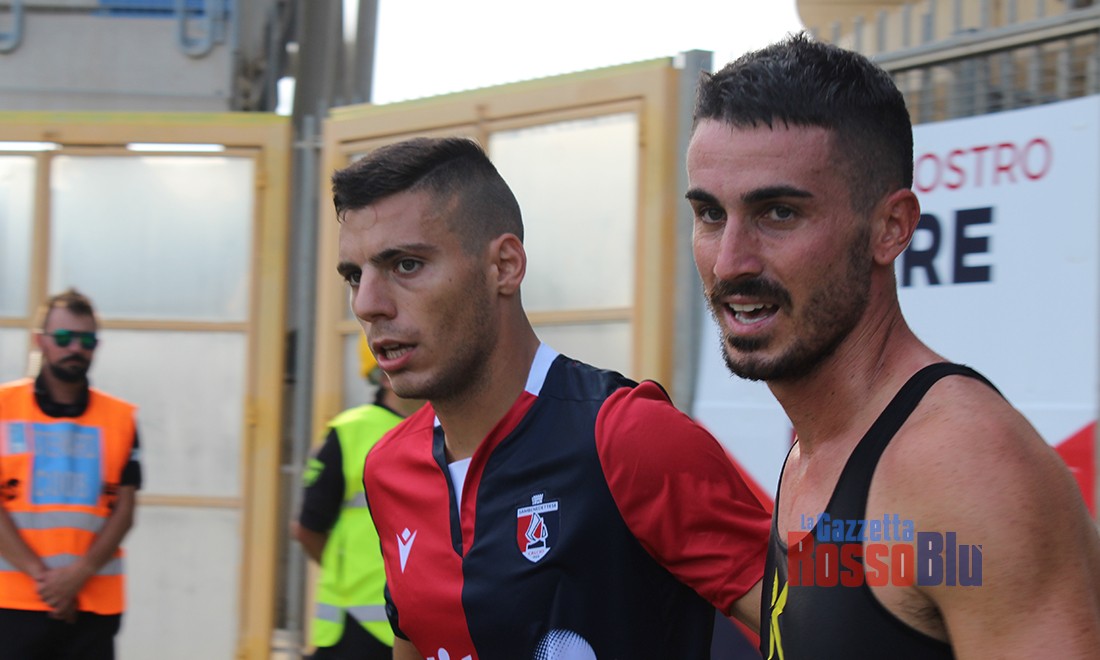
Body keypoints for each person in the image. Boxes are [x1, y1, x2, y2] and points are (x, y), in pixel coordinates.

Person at [687, 32, 1100, 659]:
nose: (729, 262)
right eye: (711, 215)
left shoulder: (961, 468)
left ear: (892, 228)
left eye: (778, 213)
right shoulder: (819, 444)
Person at [331, 136, 771, 660]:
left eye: (405, 265)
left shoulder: (628, 436)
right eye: (355, 276)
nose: (368, 304)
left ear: (505, 266)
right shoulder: (387, 467)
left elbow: (820, 629)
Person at [0, 288, 142, 659]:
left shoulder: (120, 419)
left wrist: (79, 575)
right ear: (40, 341)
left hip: (92, 607)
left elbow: (124, 510)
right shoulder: (3, 408)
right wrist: (46, 581)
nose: (75, 348)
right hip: (13, 604)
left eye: (86, 340)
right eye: (63, 338)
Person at [292, 334, 423, 660]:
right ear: (382, 374)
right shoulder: (349, 432)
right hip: (356, 629)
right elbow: (308, 529)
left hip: (425, 622)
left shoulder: (447, 431)